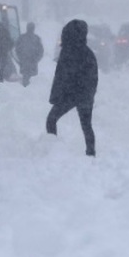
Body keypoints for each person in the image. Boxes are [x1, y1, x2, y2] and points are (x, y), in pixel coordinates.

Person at [46, 19, 98, 156]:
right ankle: (91, 153)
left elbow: (61, 77)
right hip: (82, 95)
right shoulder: (88, 54)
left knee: (51, 119)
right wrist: (88, 96)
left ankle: (52, 150)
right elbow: (93, 79)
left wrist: (57, 96)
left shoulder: (68, 52)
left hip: (68, 95)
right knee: (87, 126)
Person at [14, 22, 45, 87]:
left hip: (26, 63)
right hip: (31, 64)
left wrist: (20, 59)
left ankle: (27, 93)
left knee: (27, 81)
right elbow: (41, 51)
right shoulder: (36, 38)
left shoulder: (21, 38)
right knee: (32, 82)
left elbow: (16, 50)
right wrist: (36, 59)